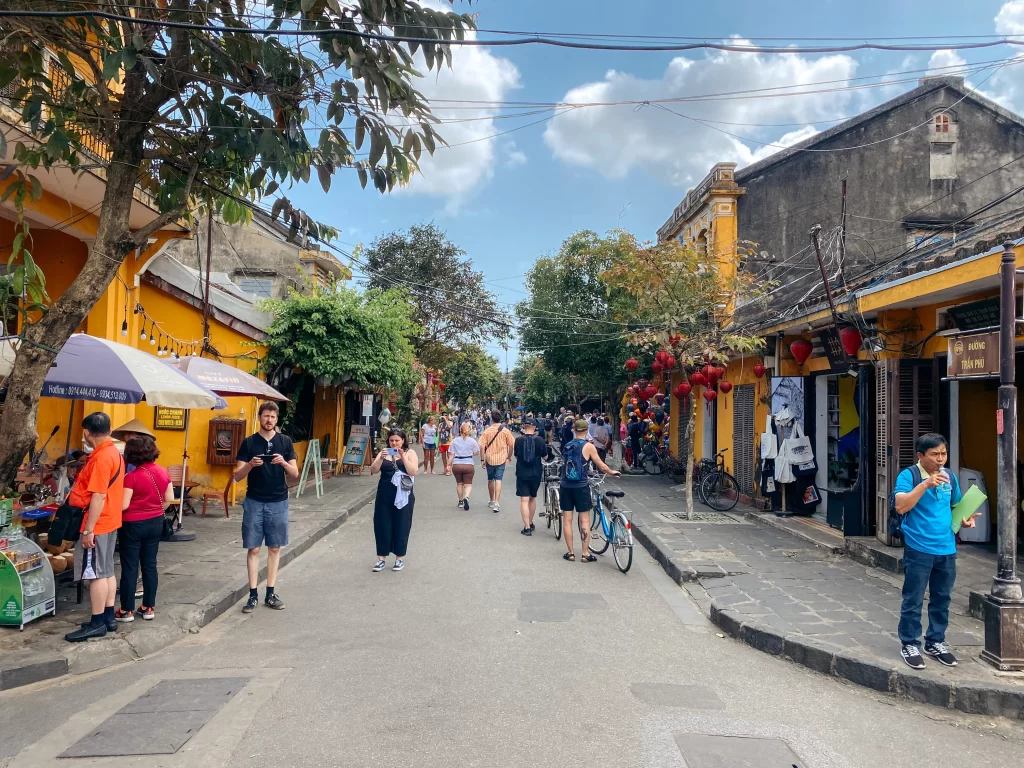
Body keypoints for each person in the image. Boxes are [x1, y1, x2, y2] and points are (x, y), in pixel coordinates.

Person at [893, 433, 978, 670]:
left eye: (943, 453)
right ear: (921, 455)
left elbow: (956, 507)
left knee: (942, 598)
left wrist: (966, 519)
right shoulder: (908, 476)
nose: (941, 459)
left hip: (946, 547)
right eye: (935, 454)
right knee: (914, 599)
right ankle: (909, 643)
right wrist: (925, 484)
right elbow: (901, 506)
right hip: (919, 548)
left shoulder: (950, 476)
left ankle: (935, 641)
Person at [64, 413, 126, 642]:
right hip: (110, 520)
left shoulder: (100, 459)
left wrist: (89, 530)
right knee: (107, 570)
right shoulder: (114, 453)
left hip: (97, 522)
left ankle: (97, 621)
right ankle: (108, 616)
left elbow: (98, 496)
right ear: (109, 429)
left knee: (95, 574)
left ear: (86, 432)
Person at [233, 402, 299, 613]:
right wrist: (250, 465)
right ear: (259, 417)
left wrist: (284, 464)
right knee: (253, 548)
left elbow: (295, 474)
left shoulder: (285, 442)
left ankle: (270, 592)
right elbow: (237, 476)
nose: (269, 420)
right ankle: (253, 594)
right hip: (254, 501)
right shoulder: (249, 443)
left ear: (276, 419)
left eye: (272, 416)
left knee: (275, 547)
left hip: (278, 501)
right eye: (265, 416)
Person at [116, 436, 174, 622]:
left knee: (130, 566)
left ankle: (126, 610)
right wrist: (155, 510)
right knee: (150, 565)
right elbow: (169, 498)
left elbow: (123, 505)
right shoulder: (164, 472)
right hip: (155, 523)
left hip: (132, 525)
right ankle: (148, 607)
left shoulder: (131, 477)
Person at [560, 419, 620, 563]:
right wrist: (612, 472)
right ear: (587, 431)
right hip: (581, 486)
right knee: (584, 519)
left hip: (566, 486)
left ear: (574, 430)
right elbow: (601, 465)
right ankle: (585, 553)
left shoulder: (567, 445)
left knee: (567, 520)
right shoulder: (588, 446)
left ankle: (570, 553)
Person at [370, 428, 420, 571]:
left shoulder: (410, 453)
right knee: (382, 524)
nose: (394, 443)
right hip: (385, 493)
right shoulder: (383, 452)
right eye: (391, 440)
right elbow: (373, 470)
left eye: (397, 440)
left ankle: (400, 558)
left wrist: (402, 457)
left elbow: (413, 471)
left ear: (403, 440)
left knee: (402, 524)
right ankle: (381, 558)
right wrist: (381, 457)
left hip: (404, 495)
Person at [514, 418, 552, 536]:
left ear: (524, 427)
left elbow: (516, 456)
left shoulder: (518, 440)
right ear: (535, 427)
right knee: (532, 498)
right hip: (536, 473)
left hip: (522, 472)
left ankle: (526, 527)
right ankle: (530, 522)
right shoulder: (540, 440)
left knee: (524, 500)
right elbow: (545, 457)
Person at [478, 409, 516, 513]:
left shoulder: (487, 431)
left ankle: (491, 500)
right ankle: (497, 502)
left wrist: (482, 459)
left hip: (490, 458)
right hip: (501, 458)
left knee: (490, 479)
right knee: (499, 479)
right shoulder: (505, 431)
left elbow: (481, 446)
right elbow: (512, 444)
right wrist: (509, 457)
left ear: (491, 419)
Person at [450, 421, 480, 509]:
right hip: (468, 464)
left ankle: (460, 501)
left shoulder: (454, 441)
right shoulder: (472, 441)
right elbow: (476, 453)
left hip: (457, 464)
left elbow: (451, 454)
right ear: (469, 431)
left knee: (459, 484)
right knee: (468, 484)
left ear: (460, 430)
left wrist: (448, 465)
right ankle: (466, 497)